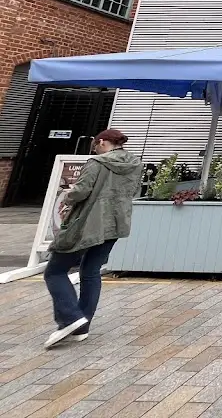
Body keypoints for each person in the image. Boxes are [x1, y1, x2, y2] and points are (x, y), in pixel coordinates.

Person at [43, 128, 143, 349]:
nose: (95, 149)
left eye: (95, 145)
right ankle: (82, 326)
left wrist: (66, 197)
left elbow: (80, 191)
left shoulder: (97, 162)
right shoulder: (135, 165)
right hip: (116, 224)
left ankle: (70, 318)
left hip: (88, 223)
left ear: (103, 142)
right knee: (90, 271)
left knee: (55, 271)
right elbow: (134, 192)